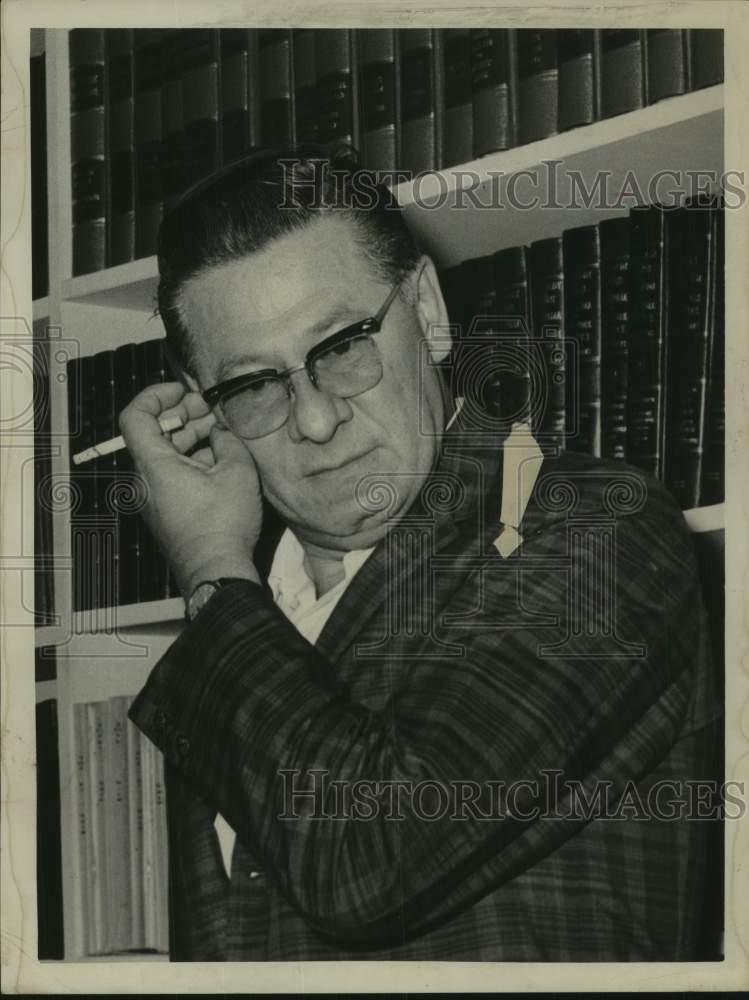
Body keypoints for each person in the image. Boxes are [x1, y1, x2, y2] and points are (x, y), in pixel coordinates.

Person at [122, 147, 722, 961]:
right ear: (208, 408)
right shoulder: (238, 624)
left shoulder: (591, 528)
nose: (316, 421)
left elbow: (370, 856)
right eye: (254, 385)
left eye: (341, 346)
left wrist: (208, 563)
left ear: (428, 311)